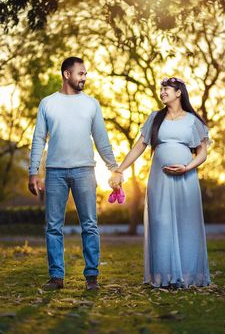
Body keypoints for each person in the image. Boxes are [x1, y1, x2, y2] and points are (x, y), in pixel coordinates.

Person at [109, 77, 211, 289]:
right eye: (161, 89)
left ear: (178, 92)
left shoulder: (193, 121)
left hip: (186, 178)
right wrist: (120, 169)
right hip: (159, 179)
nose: (162, 92)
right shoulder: (155, 118)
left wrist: (187, 167)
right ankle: (163, 276)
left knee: (187, 224)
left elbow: (202, 154)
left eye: (166, 89)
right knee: (161, 222)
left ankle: (188, 276)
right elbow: (139, 146)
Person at [28, 57, 121, 290]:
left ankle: (92, 278)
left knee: (90, 225)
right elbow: (38, 139)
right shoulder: (47, 103)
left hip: (85, 171)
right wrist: (33, 172)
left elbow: (102, 139)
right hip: (54, 172)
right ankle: (56, 277)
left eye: (85, 74)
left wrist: (114, 168)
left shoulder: (92, 104)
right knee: (53, 227)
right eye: (81, 73)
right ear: (67, 74)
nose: (84, 78)